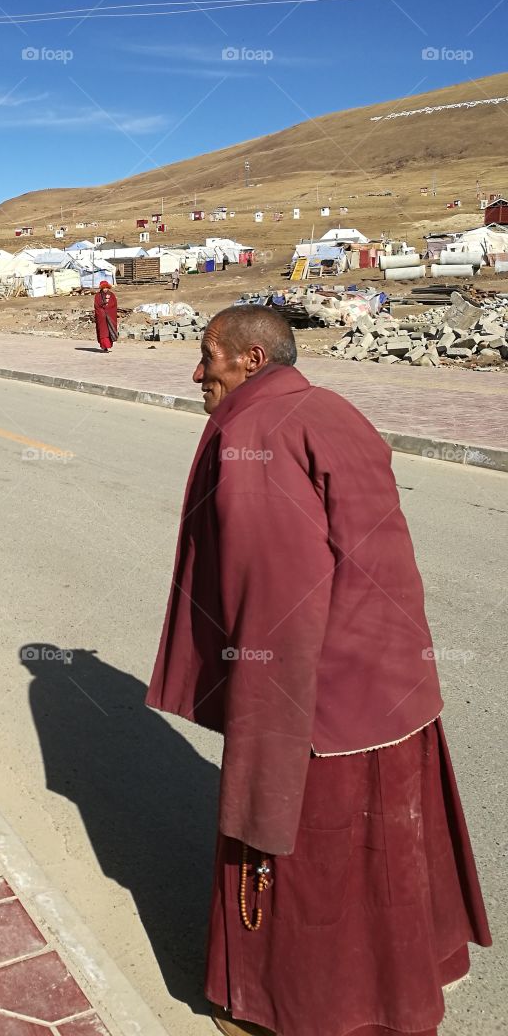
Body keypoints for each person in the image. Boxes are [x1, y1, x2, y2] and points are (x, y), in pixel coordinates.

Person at [146, 305, 490, 1036]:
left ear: (250, 360)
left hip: (316, 699)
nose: (197, 372)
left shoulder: (252, 434)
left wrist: (265, 723)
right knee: (384, 850)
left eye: (207, 355)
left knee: (311, 852)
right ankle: (401, 992)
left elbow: (277, 594)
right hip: (392, 681)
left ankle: (294, 1008)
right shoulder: (329, 405)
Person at [93, 280, 118, 352]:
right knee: (103, 332)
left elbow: (114, 305)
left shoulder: (112, 295)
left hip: (110, 316)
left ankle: (108, 345)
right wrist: (102, 312)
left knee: (109, 331)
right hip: (102, 318)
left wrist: (108, 309)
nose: (105, 289)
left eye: (107, 288)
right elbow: (96, 306)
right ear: (101, 288)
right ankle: (105, 346)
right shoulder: (97, 296)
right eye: (104, 288)